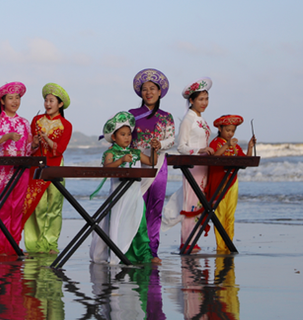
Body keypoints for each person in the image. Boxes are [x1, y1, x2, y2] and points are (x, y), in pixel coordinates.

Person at [90, 111, 159, 264]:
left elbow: (151, 161)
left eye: (129, 134)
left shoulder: (135, 152)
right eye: (122, 134)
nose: (127, 137)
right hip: (119, 197)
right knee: (120, 224)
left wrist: (154, 149)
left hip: (134, 196)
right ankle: (120, 255)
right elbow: (107, 168)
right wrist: (121, 160)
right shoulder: (110, 153)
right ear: (113, 137)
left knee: (139, 225)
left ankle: (144, 255)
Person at [129, 68, 175, 263]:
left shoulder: (166, 116)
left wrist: (161, 145)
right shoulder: (131, 115)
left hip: (158, 166)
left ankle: (152, 251)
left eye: (152, 88)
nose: (148, 92)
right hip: (136, 165)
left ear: (159, 92)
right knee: (134, 207)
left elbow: (172, 139)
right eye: (145, 89)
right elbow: (124, 138)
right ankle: (132, 249)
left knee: (155, 209)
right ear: (140, 93)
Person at [162, 77, 213, 253]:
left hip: (204, 166)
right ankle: (186, 241)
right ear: (191, 100)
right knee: (190, 202)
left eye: (206, 98)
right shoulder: (188, 120)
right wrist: (200, 151)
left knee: (200, 202)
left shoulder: (201, 119)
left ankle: (194, 239)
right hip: (193, 166)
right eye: (200, 99)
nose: (204, 102)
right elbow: (181, 147)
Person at [23, 83, 72, 253]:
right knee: (36, 204)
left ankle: (51, 243)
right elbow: (31, 147)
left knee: (54, 205)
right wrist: (36, 142)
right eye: (46, 100)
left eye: (52, 101)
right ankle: (33, 244)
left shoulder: (66, 124)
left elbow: (60, 148)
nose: (48, 104)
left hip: (56, 165)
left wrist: (47, 139)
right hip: (36, 166)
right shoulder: (36, 121)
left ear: (60, 104)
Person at [0, 82, 32, 255]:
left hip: (22, 170)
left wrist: (35, 143)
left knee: (18, 207)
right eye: (10, 98)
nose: (15, 101)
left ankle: (14, 246)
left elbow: (28, 149)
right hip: (3, 170)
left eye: (17, 98)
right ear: (2, 101)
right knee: (2, 206)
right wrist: (7, 136)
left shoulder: (24, 122)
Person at [206, 114, 256, 254]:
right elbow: (215, 157)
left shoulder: (235, 146)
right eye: (227, 130)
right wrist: (227, 145)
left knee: (230, 215)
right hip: (219, 182)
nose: (230, 133)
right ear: (220, 128)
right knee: (220, 214)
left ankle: (229, 243)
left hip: (232, 182)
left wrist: (250, 147)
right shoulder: (216, 142)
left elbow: (245, 161)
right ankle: (221, 247)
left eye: (232, 131)